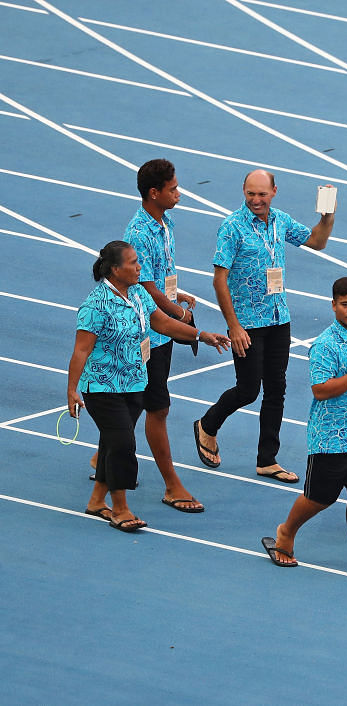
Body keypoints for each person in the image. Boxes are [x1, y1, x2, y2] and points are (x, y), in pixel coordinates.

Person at [68, 241, 230, 531]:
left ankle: (96, 501)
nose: (139, 267)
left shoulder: (140, 293)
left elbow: (163, 324)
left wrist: (201, 335)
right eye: (132, 263)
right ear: (115, 270)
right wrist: (71, 391)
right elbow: (81, 351)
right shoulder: (95, 305)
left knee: (111, 443)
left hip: (134, 383)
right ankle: (120, 508)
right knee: (123, 444)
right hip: (102, 387)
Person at [196, 170, 335, 483]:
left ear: (274, 191)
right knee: (248, 389)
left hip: (278, 318)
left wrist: (327, 216)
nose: (256, 201)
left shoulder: (281, 221)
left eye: (262, 194)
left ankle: (267, 459)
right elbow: (219, 279)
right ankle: (207, 424)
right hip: (247, 323)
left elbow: (317, 241)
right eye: (250, 194)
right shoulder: (232, 227)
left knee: (277, 389)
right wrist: (233, 326)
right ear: (244, 192)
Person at [85, 159, 205, 512]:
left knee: (136, 407)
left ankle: (102, 458)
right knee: (158, 407)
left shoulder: (165, 223)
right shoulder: (139, 232)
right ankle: (172, 485)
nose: (179, 194)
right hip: (149, 335)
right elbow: (145, 285)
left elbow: (160, 276)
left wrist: (176, 294)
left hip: (161, 333)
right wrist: (178, 313)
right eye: (173, 189)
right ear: (154, 193)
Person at [260, 277, 347, 581]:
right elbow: (320, 389)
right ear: (333, 305)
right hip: (332, 438)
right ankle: (285, 533)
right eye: (345, 304)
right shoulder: (324, 344)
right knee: (319, 497)